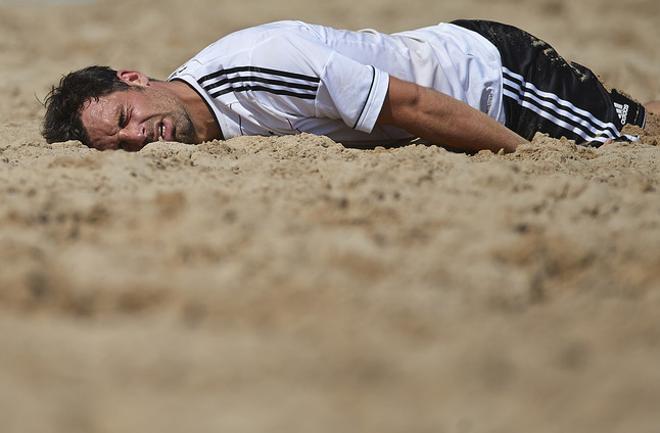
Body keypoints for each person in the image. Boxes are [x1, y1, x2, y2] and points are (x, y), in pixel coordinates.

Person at [42, 19, 658, 154]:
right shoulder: (206, 130)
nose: (138, 137)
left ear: (133, 79)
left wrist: (528, 159)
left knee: (622, 147)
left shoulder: (253, 68)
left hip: (493, 81)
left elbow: (410, 103)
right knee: (641, 120)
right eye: (119, 144)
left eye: (125, 116)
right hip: (473, 84)